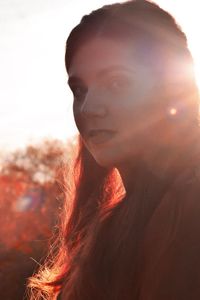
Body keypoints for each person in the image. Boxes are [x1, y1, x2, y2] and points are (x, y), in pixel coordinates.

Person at [28, 1, 200, 299]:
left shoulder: (188, 209)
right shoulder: (113, 219)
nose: (88, 107)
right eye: (80, 90)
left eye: (118, 83)